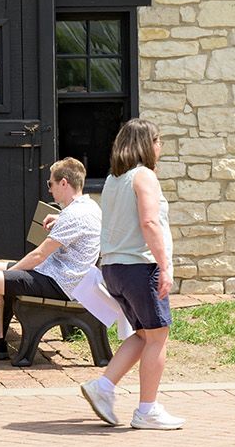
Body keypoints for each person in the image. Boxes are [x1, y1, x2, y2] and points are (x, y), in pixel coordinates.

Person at [0, 158, 98, 372]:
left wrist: (11, 273)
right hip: (57, 275)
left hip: (59, 283)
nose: (50, 189)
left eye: (50, 184)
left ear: (64, 183)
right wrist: (59, 216)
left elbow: (39, 255)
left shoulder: (75, 215)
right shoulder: (88, 206)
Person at [78, 119, 182, 430]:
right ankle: (147, 410)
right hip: (140, 267)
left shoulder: (113, 179)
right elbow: (150, 223)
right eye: (157, 141)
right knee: (158, 338)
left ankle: (104, 387)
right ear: (147, 145)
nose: (160, 147)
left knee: (143, 335)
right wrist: (164, 266)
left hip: (114, 268)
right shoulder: (144, 176)